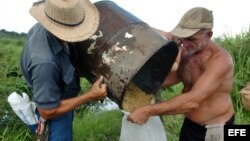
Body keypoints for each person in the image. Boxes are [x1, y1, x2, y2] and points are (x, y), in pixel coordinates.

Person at [127, 7, 235, 141]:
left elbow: (193, 101)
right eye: (183, 38)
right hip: (190, 125)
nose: (185, 44)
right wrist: (143, 85)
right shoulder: (187, 52)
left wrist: (148, 111)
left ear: (208, 35)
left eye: (191, 39)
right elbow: (179, 75)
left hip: (215, 130)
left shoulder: (220, 61)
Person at [20, 0, 107, 140]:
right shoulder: (45, 63)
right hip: (54, 110)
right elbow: (47, 111)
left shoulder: (44, 25)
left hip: (57, 95)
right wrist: (91, 95)